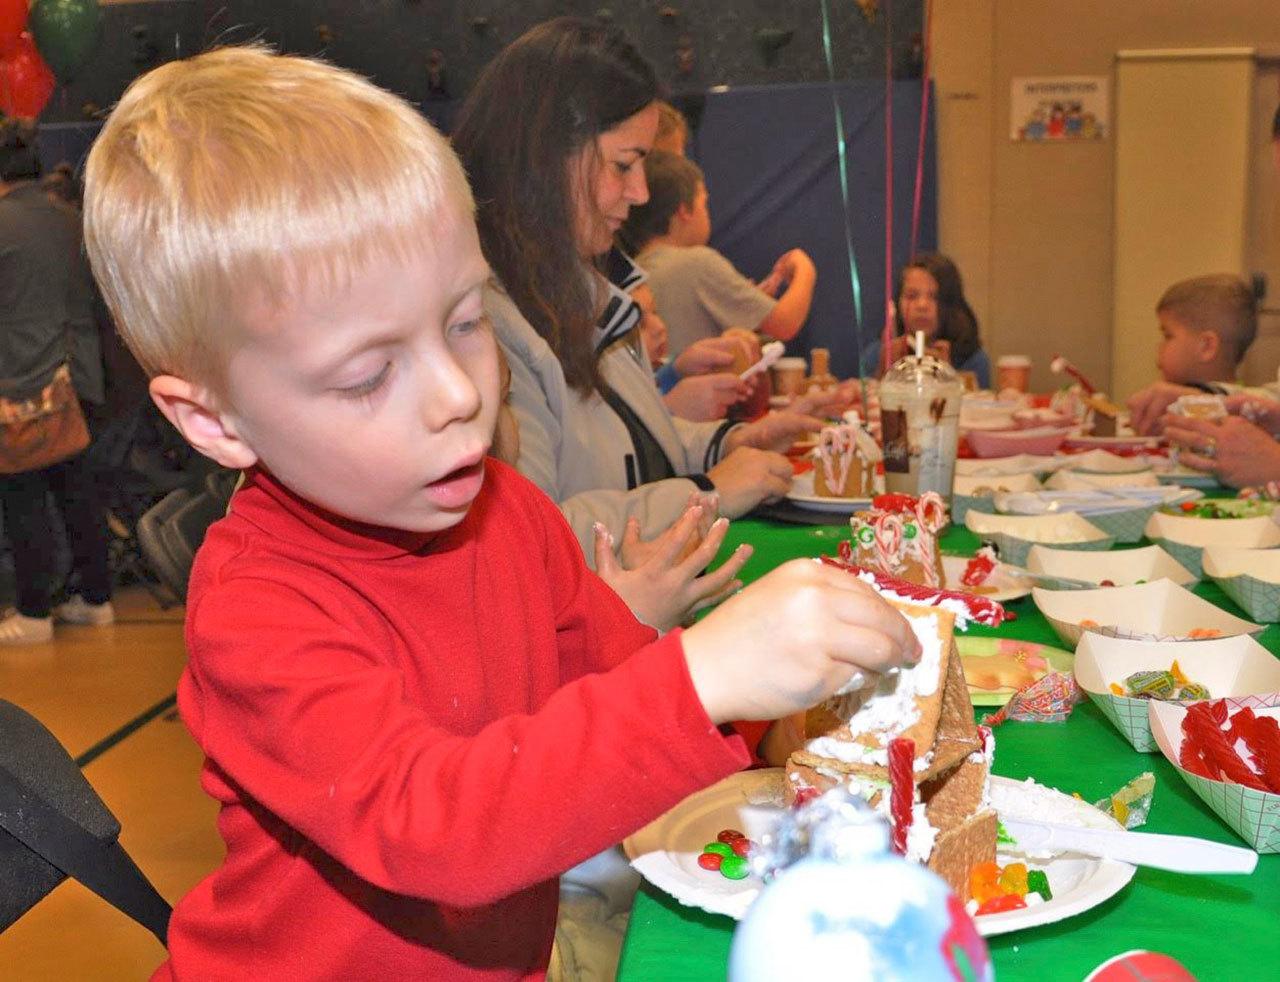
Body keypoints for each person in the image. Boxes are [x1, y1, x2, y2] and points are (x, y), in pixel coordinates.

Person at [81, 44, 919, 980]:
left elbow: (614, 680)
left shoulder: (503, 510)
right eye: (367, 375)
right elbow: (434, 827)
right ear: (215, 421)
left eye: (466, 321)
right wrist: (701, 678)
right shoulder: (259, 605)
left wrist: (786, 715)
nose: (458, 394)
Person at [453, 20, 819, 571]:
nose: (641, 191)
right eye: (624, 164)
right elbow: (531, 536)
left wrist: (729, 442)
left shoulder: (585, 293)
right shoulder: (486, 325)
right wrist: (704, 492)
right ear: (549, 158)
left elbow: (634, 450)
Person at [0, 118, 114, 645]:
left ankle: (33, 613)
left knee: (24, 498)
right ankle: (95, 599)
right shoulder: (64, 215)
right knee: (76, 493)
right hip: (81, 375)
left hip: (24, 382)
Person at [622, 150, 818, 356]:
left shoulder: (632, 272)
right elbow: (784, 323)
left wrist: (748, 304)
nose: (707, 213)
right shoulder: (698, 263)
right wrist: (805, 269)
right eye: (703, 203)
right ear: (684, 211)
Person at [888, 253, 991, 387]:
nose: (922, 305)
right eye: (912, 296)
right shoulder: (881, 354)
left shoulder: (972, 359)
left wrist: (948, 377)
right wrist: (885, 374)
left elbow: (978, 404)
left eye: (934, 297)